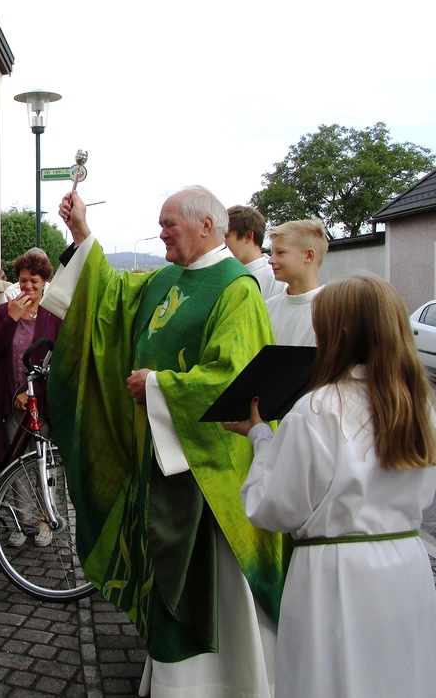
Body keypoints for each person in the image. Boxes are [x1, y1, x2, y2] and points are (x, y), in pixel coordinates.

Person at [44, 187, 286, 697]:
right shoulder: (166, 278)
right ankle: (171, 680)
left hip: (204, 472)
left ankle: (224, 685)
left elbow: (235, 375)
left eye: (168, 224)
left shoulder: (236, 289)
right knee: (163, 578)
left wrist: (158, 386)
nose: (161, 234)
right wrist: (81, 232)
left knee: (206, 587)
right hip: (158, 459)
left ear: (206, 225)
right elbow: (110, 296)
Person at [224, 274, 436, 698]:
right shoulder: (419, 404)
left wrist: (261, 437)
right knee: (399, 679)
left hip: (335, 579)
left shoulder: (318, 409)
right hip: (406, 570)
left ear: (338, 333)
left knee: (330, 681)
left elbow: (272, 507)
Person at [0, 250, 62, 466]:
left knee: (44, 461)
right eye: (23, 280)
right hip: (11, 400)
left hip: (43, 401)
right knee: (16, 463)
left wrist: (33, 391)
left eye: (34, 281)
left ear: (44, 282)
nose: (28, 286)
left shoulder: (54, 314)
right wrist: (12, 318)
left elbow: (60, 360)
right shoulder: (3, 311)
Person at [264, 218, 327, 346]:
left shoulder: (330, 311)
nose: (270, 260)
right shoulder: (267, 308)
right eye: (272, 253)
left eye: (280, 252)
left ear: (309, 255)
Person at [225, 205, 286, 300]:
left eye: (226, 236)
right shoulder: (222, 273)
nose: (220, 243)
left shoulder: (276, 280)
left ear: (248, 236)